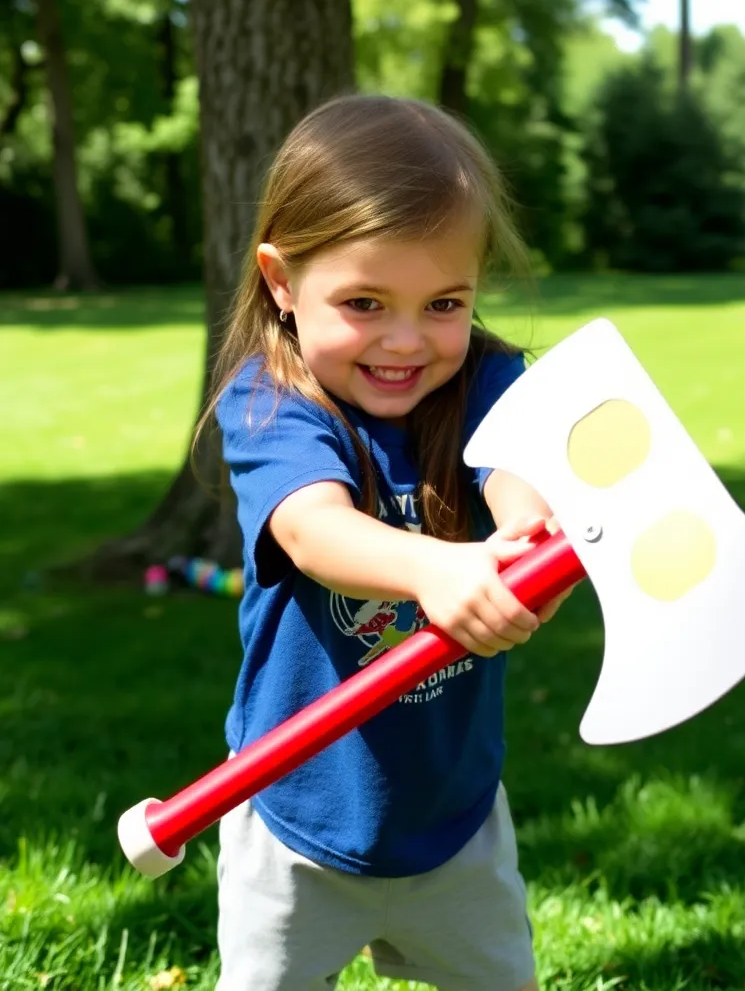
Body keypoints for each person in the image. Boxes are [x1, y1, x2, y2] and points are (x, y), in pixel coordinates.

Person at [195, 92, 576, 991]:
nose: (407, 341)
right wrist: (440, 567)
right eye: (365, 302)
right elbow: (312, 526)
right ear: (283, 284)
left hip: (455, 820)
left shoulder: (487, 377)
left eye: (445, 301)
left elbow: (517, 476)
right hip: (295, 816)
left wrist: (529, 538)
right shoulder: (271, 403)